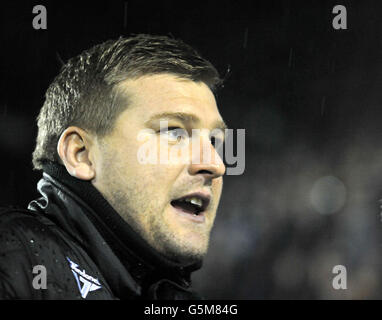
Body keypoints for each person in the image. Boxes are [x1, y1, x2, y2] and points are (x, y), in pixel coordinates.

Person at [0, 34, 226, 299]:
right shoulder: (15, 260)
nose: (215, 164)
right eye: (174, 132)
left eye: (214, 140)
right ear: (81, 154)